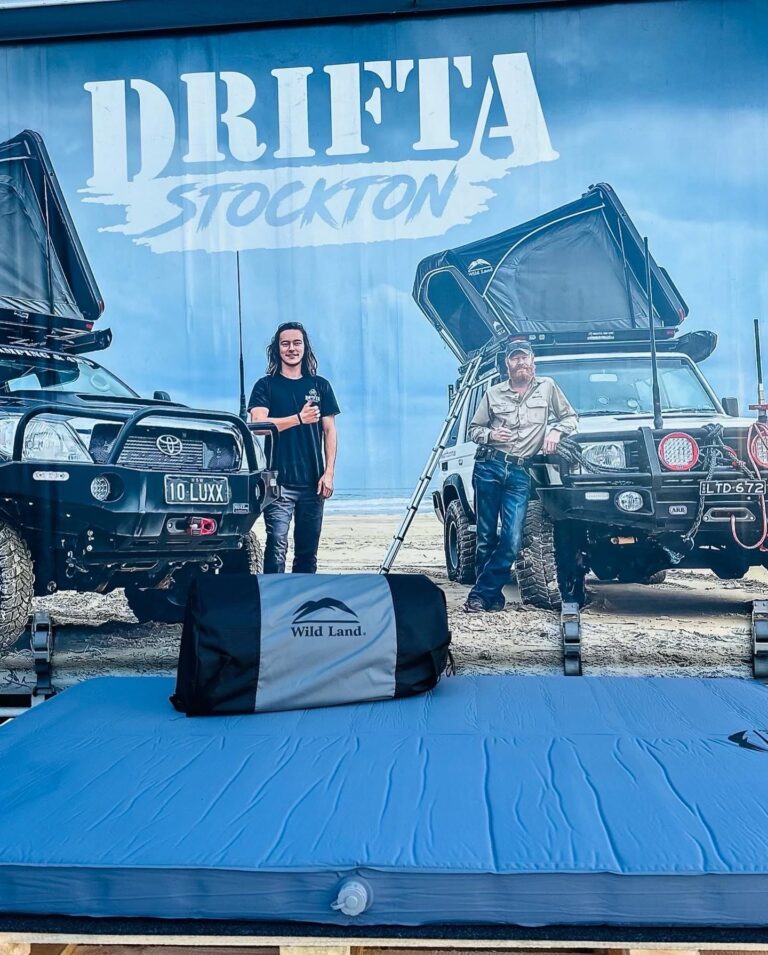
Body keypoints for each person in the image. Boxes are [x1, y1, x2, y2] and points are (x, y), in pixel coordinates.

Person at [464, 340, 577, 613]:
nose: (521, 363)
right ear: (508, 364)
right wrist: (490, 434)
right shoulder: (493, 393)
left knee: (512, 538)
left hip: (520, 472)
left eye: (524, 358)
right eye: (515, 359)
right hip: (489, 467)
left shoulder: (547, 387)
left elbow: (571, 417)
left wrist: (555, 431)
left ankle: (480, 594)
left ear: (532, 361)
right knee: (485, 537)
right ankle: (488, 597)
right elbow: (473, 429)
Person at [249, 322, 340, 574]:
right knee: (276, 547)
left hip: (313, 483)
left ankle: (303, 596)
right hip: (278, 483)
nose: (291, 348)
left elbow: (330, 431)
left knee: (307, 552)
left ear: (305, 347)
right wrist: (298, 418)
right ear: (277, 349)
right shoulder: (265, 385)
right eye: (285, 343)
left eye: (297, 343)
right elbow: (257, 425)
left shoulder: (320, 386)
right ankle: (273, 595)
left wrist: (329, 472)